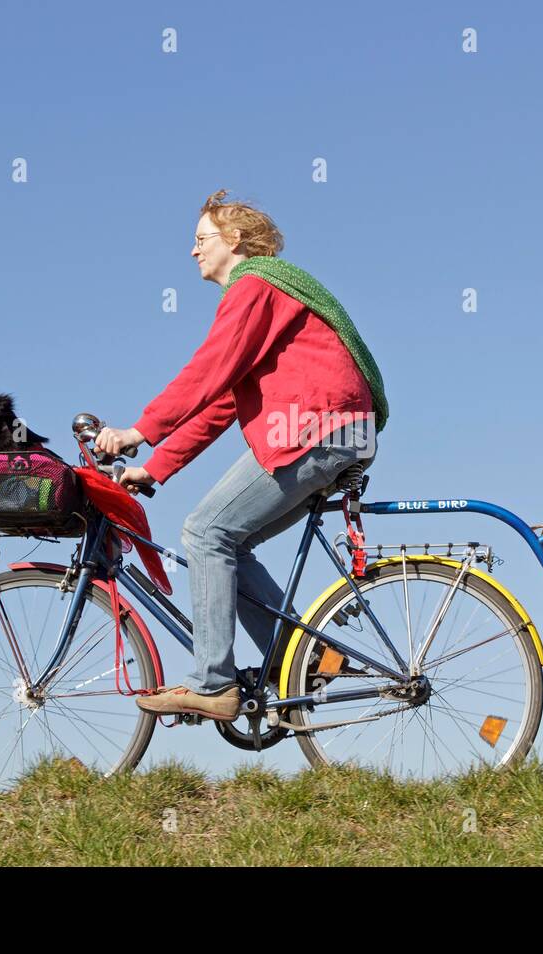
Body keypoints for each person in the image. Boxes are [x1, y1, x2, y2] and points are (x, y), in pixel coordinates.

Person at [92, 190, 389, 721]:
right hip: (336, 430)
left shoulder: (255, 285)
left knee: (206, 532)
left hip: (316, 429)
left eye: (200, 239)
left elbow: (207, 371)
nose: (192, 252)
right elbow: (222, 401)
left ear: (234, 240)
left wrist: (140, 429)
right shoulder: (266, 295)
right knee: (232, 543)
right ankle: (305, 659)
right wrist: (153, 467)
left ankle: (212, 684)